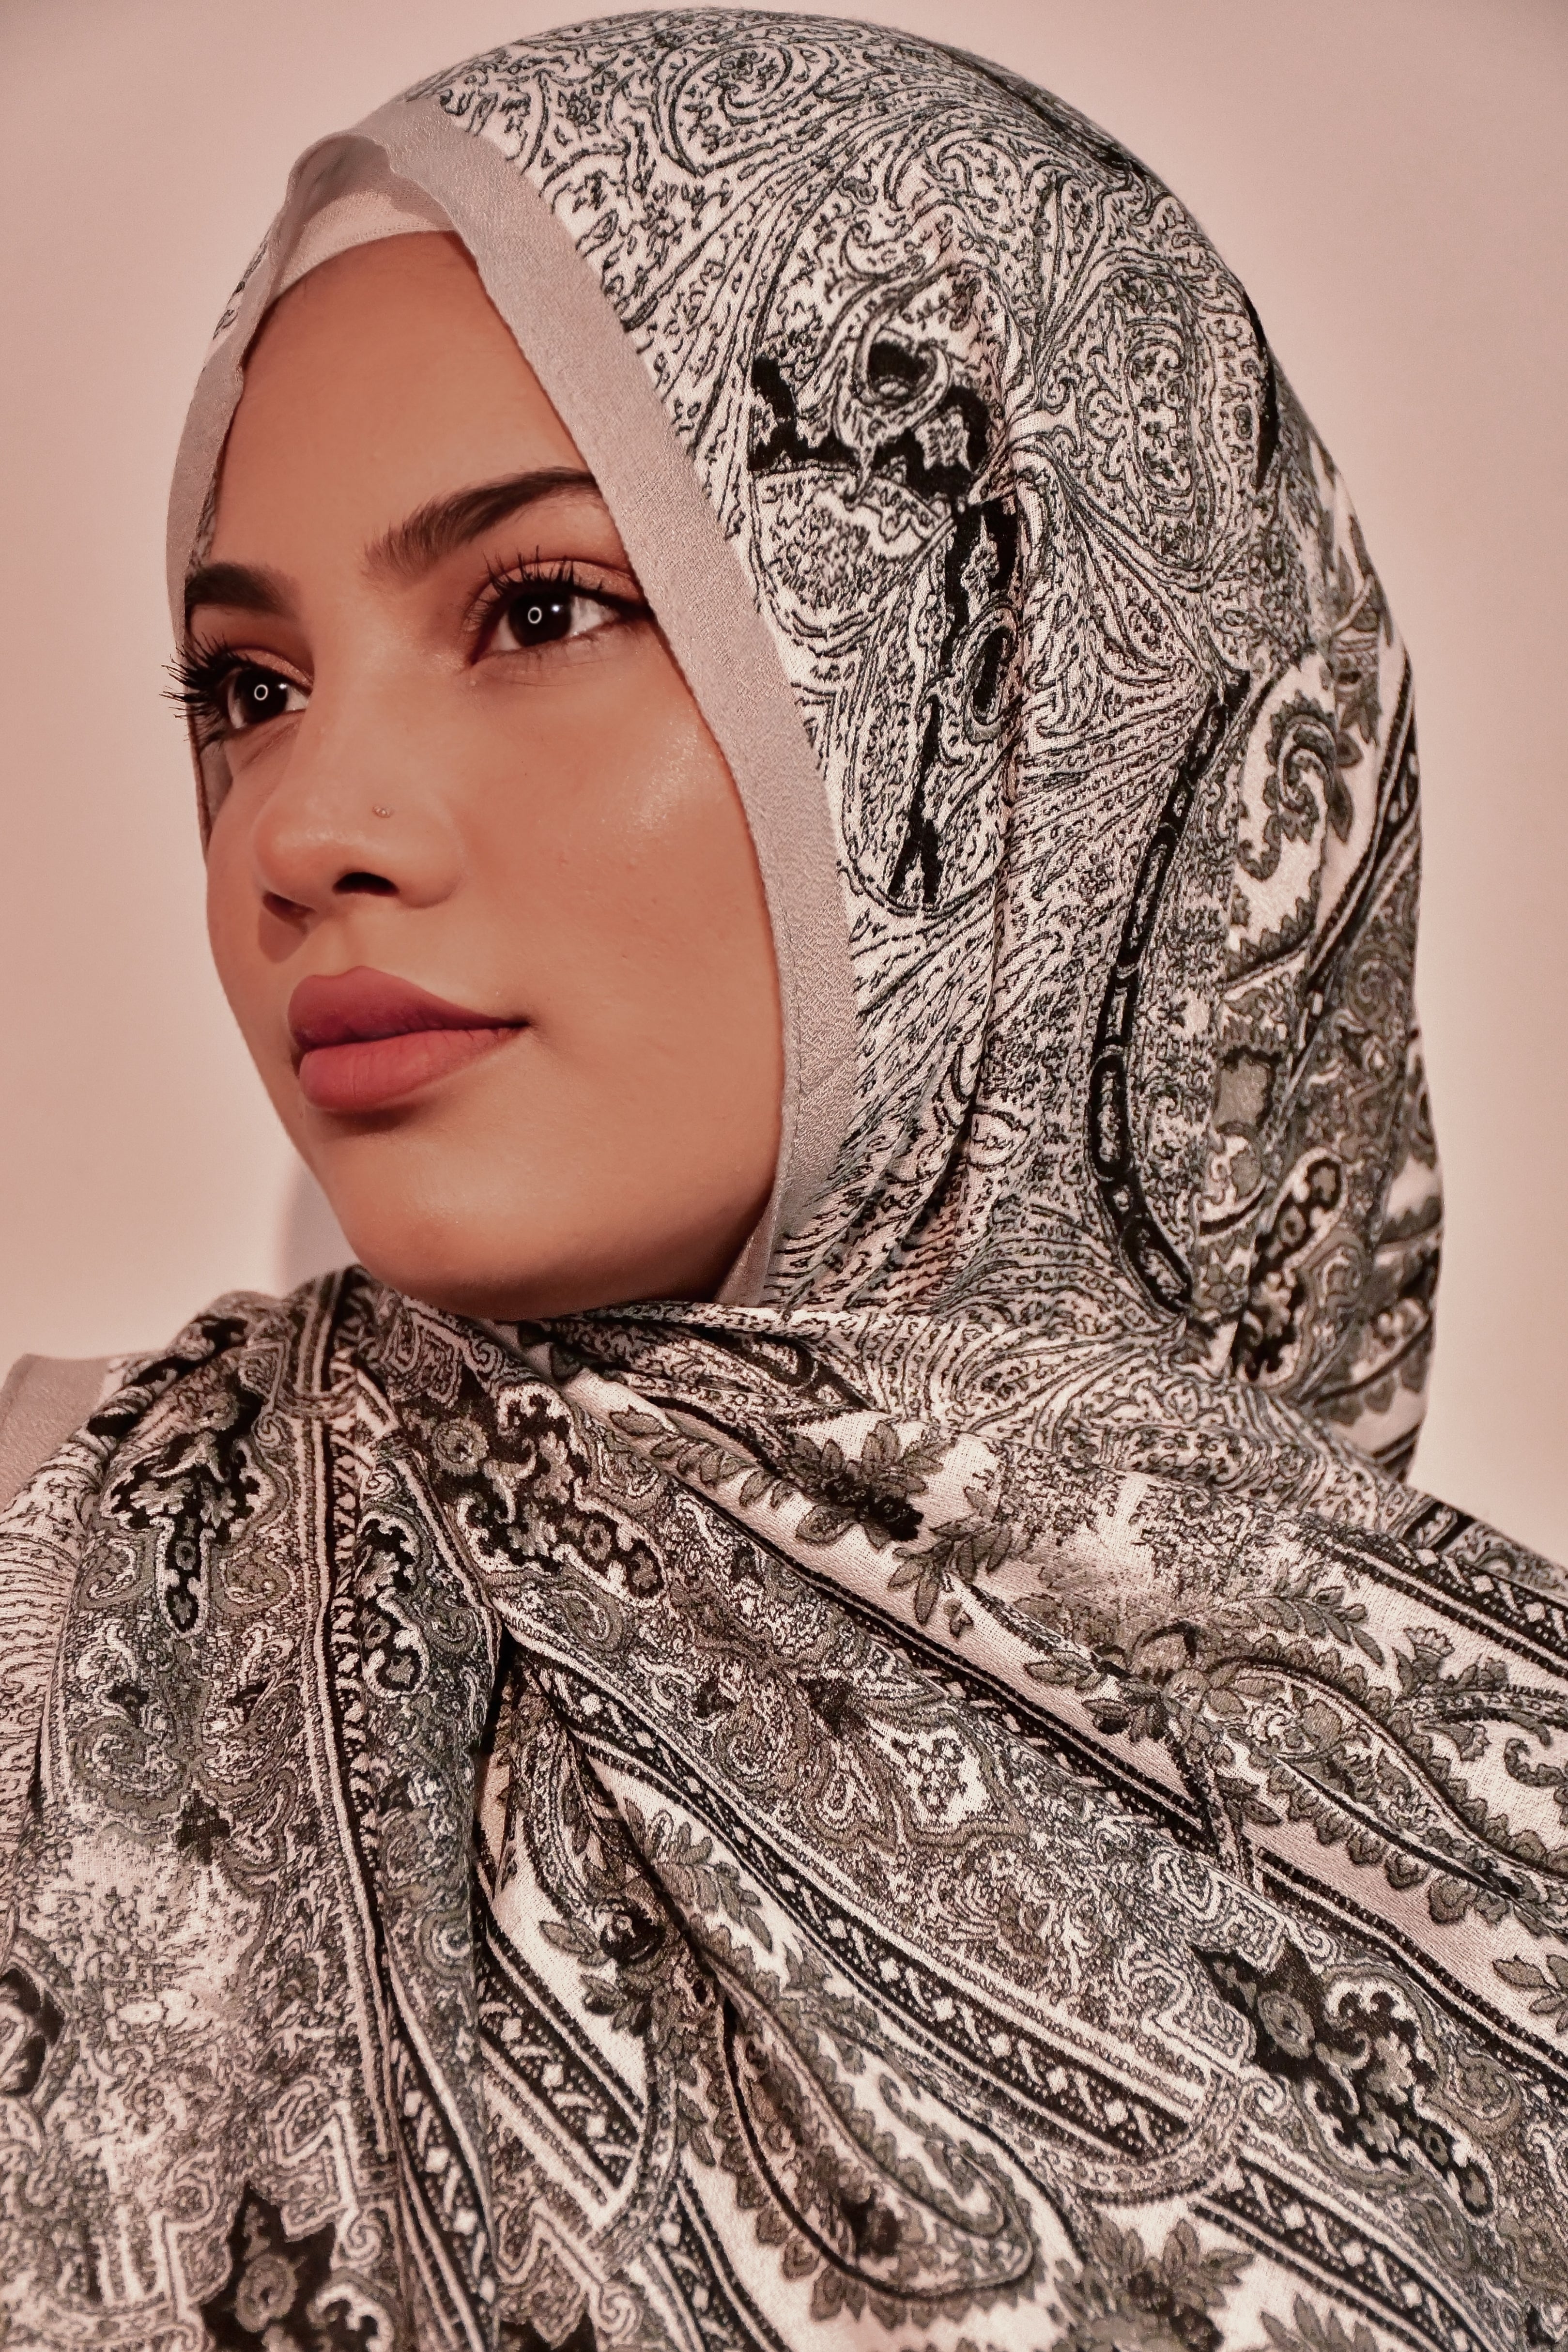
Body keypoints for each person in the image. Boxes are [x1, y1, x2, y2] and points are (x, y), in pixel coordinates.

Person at [0, 13, 1562, 2346]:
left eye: (540, 611)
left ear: (1019, 712)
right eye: (248, 686)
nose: (304, 831)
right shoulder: (57, 1621)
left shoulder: (1503, 1849)